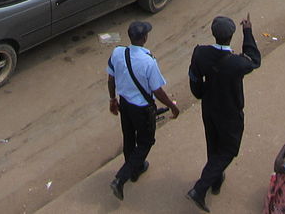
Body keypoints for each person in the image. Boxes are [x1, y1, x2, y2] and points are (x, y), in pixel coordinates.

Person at [186, 14, 261, 212]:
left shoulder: (200, 53)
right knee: (228, 150)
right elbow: (254, 59)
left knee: (214, 145)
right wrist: (248, 31)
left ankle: (216, 180)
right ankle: (200, 189)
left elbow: (194, 77)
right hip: (229, 112)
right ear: (231, 36)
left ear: (213, 34)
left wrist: (200, 94)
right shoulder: (237, 63)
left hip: (209, 108)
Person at [106, 21, 180, 201]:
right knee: (146, 141)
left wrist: (112, 99)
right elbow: (157, 91)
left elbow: (111, 78)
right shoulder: (149, 62)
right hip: (142, 109)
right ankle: (121, 178)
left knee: (129, 138)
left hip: (125, 105)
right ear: (145, 38)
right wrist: (172, 105)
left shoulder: (117, 52)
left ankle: (135, 169)